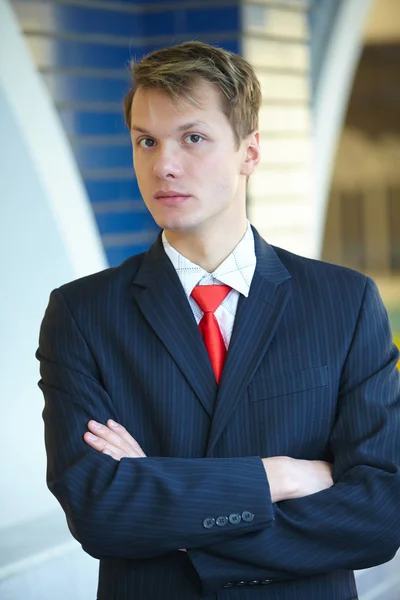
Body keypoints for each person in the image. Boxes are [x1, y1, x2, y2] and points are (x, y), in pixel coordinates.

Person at [36, 41, 400, 600]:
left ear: (249, 152)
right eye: (146, 141)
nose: (164, 164)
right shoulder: (83, 313)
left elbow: (378, 515)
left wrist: (169, 515)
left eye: (193, 138)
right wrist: (278, 476)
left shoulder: (344, 303)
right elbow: (98, 510)